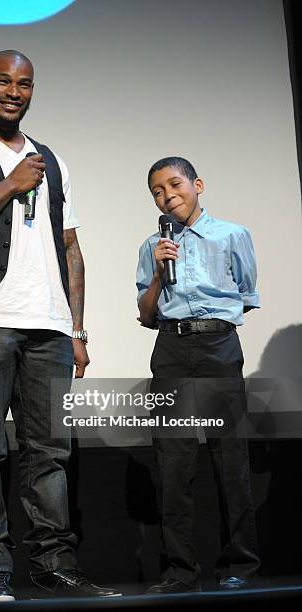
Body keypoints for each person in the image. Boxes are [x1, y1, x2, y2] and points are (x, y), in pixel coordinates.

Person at [0, 49, 121, 602]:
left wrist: (76, 330)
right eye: (4, 81)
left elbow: (70, 245)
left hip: (51, 326)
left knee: (50, 453)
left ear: (33, 90)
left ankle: (54, 565)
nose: (14, 91)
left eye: (25, 84)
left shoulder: (50, 159)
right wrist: (8, 185)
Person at [136, 156, 260, 593]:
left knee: (230, 459)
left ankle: (238, 564)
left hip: (218, 347)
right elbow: (145, 313)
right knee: (173, 464)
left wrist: (211, 326)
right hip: (170, 348)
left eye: (174, 185)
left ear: (197, 185)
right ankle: (180, 570)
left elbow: (245, 295)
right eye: (157, 191)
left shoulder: (233, 235)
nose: (168, 196)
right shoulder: (153, 243)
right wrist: (157, 271)